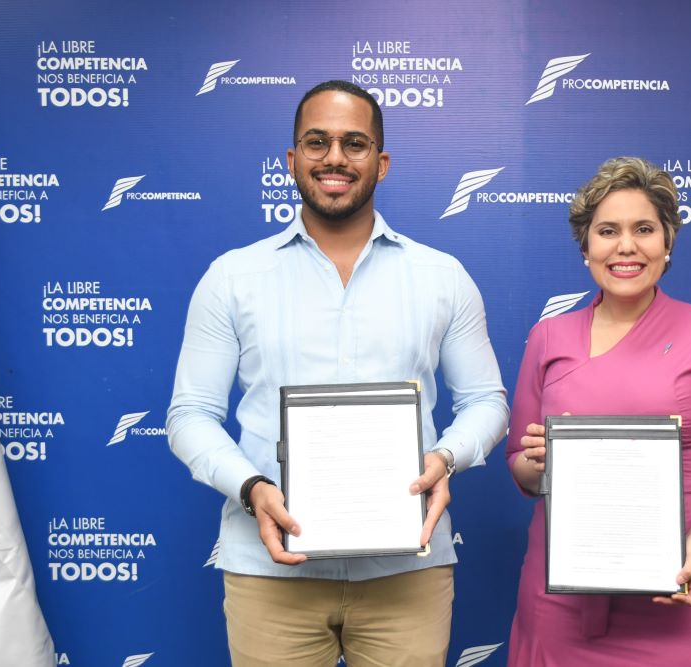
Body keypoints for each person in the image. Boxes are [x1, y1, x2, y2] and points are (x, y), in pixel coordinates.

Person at [166, 80, 509, 667]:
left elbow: (486, 401)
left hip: (408, 572)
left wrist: (446, 458)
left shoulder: (442, 277)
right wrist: (252, 489)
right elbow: (189, 415)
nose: (334, 158)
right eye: (316, 142)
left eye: (354, 143)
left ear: (381, 162)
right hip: (269, 571)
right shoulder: (232, 277)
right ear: (292, 158)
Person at [505, 157, 691, 666]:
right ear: (586, 247)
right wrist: (538, 462)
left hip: (685, 585)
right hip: (563, 596)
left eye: (643, 229)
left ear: (667, 242)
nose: (626, 246)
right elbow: (520, 465)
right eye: (608, 231)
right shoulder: (548, 337)